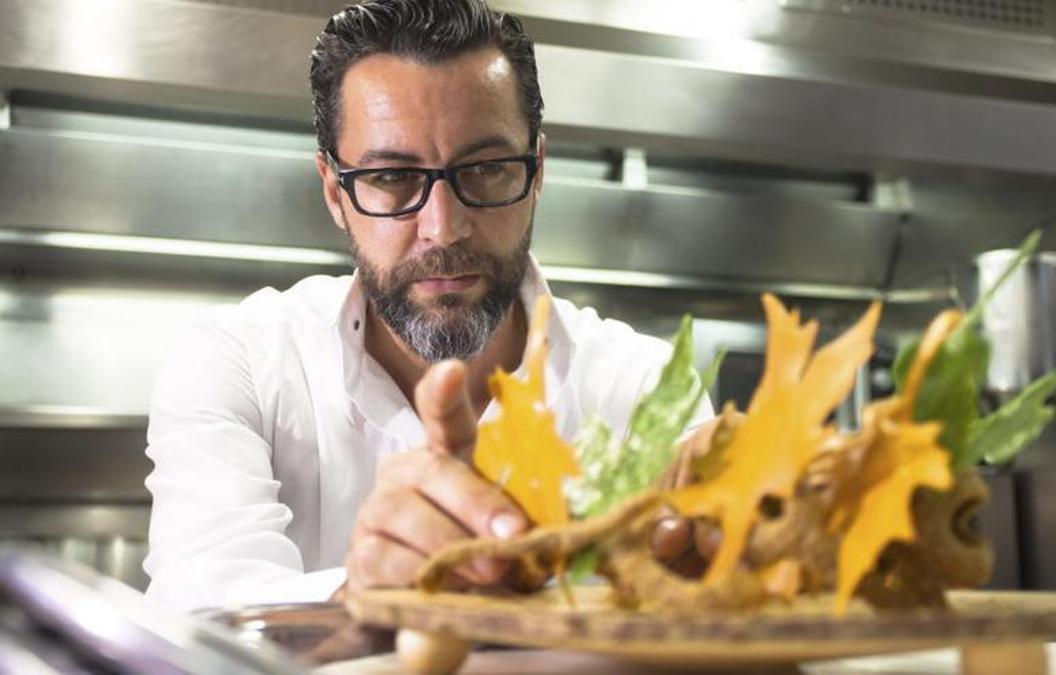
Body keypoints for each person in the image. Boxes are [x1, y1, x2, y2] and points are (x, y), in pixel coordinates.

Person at [142, 0, 715, 610]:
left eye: (488, 168)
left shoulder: (645, 387)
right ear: (335, 192)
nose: (443, 228)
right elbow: (197, 616)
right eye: (392, 178)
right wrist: (364, 599)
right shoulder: (242, 364)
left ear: (538, 171)